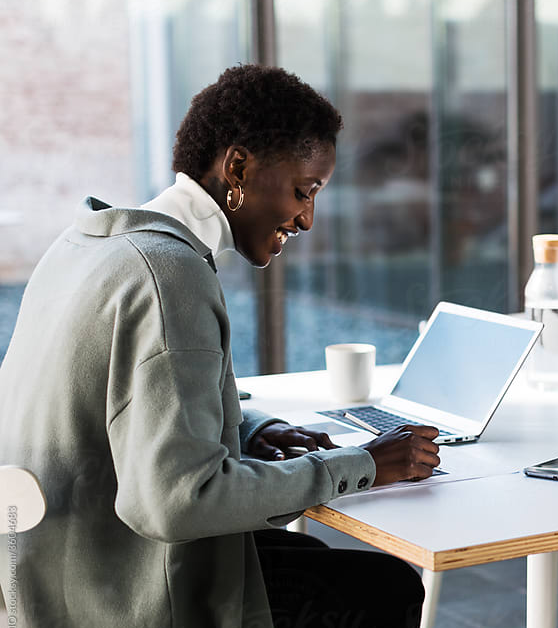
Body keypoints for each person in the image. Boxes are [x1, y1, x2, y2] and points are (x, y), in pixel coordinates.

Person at [0, 65, 440, 627]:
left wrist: (252, 429)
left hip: (46, 575)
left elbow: (124, 402)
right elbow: (178, 500)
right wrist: (361, 465)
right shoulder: (169, 275)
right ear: (237, 167)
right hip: (123, 592)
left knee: (323, 567)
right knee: (383, 588)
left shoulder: (89, 244)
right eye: (304, 191)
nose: (307, 218)